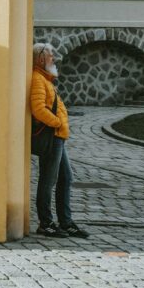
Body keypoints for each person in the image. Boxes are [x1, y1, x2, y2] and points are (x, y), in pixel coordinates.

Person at [30, 43, 89, 239]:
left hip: (58, 137)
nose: (53, 58)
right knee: (48, 181)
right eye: (50, 55)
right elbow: (38, 109)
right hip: (51, 137)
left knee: (66, 178)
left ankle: (66, 222)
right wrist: (56, 123)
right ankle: (46, 223)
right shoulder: (38, 79)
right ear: (40, 58)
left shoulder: (45, 80)